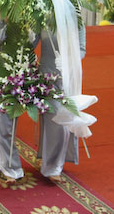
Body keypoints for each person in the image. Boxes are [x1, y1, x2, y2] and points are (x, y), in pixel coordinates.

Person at [37, 25, 87, 182]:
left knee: (64, 121)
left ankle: (55, 165)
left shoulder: (76, 20)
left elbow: (81, 49)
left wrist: (69, 60)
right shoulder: (42, 18)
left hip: (67, 76)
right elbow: (30, 45)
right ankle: (50, 163)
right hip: (47, 76)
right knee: (52, 119)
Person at [0, 17, 24, 183]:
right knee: (1, 126)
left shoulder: (20, 26)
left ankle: (3, 162)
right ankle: (11, 167)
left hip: (15, 80)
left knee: (8, 126)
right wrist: (11, 26)